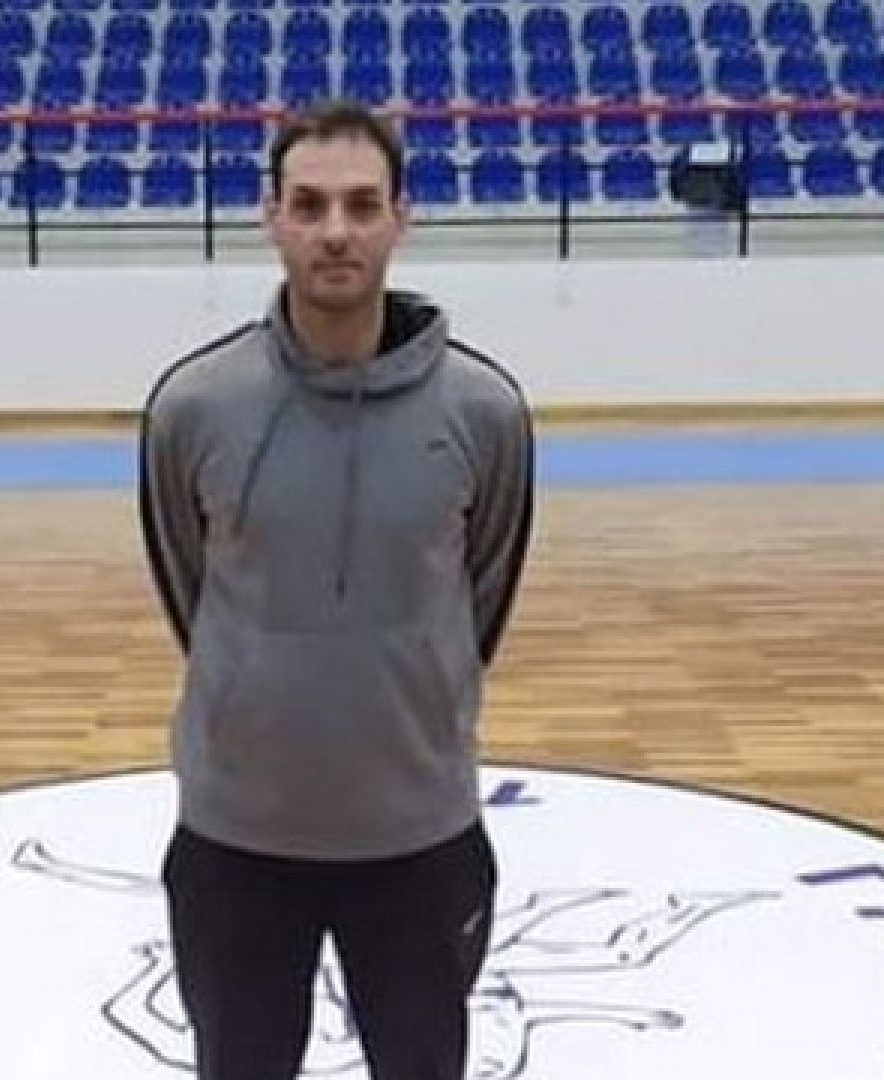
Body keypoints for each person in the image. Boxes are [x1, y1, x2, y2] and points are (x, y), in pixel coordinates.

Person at [136, 99, 536, 1080]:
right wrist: (264, 670)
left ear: (403, 218)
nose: (335, 232)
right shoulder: (193, 407)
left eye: (362, 205)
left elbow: (480, 597)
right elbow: (191, 588)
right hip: (237, 839)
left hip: (419, 838)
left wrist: (406, 675)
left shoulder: (485, 412)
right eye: (309, 205)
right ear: (271, 217)